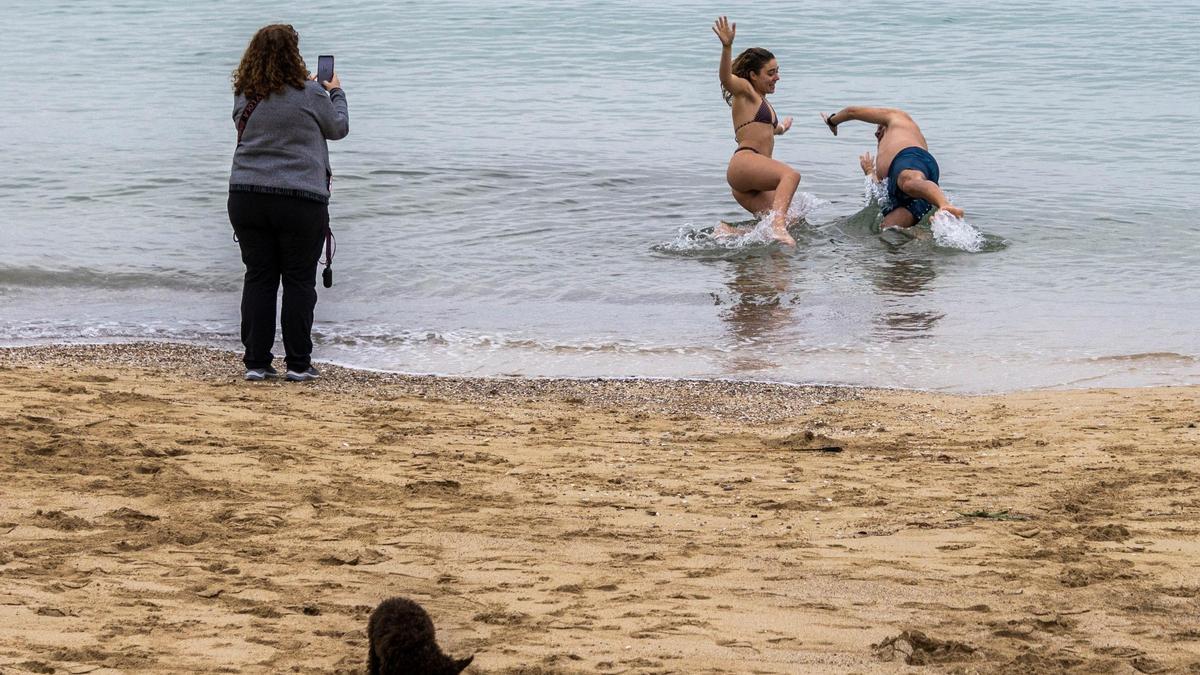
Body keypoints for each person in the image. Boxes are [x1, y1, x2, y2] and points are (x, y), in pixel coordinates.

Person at [228, 24, 349, 382]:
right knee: (298, 280)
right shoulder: (312, 93)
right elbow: (338, 128)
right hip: (300, 199)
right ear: (294, 55)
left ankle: (256, 363)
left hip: (246, 195)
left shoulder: (244, 94)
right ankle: (298, 364)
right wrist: (336, 91)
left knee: (259, 277)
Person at [711, 16, 801, 247]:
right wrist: (727, 47)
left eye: (777, 71)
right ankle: (777, 227)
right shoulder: (746, 91)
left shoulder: (762, 103)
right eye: (771, 73)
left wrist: (781, 128)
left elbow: (770, 129)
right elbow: (725, 78)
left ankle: (728, 232)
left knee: (795, 219)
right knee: (790, 176)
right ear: (753, 75)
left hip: (749, 182)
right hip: (745, 162)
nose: (777, 77)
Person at [820, 106, 963, 232]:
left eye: (878, 128)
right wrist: (870, 172)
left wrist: (832, 121)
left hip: (910, 159)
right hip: (907, 194)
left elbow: (852, 112)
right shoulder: (886, 150)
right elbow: (881, 193)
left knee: (908, 180)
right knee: (888, 230)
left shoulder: (896, 117)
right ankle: (919, 238)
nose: (876, 134)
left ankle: (945, 205)